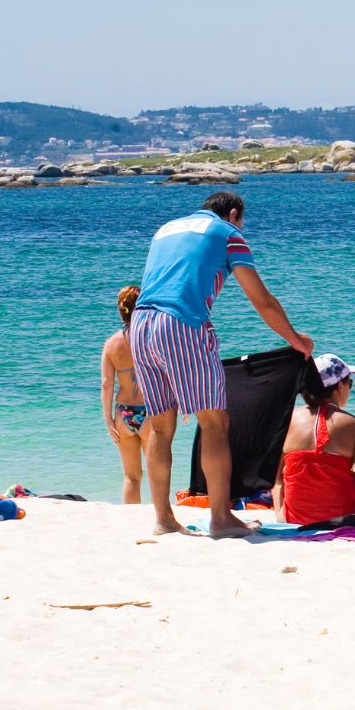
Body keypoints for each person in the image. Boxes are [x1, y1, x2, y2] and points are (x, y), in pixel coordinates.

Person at [131, 192, 312, 538]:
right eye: (242, 221)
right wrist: (295, 340)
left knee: (159, 428)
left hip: (140, 324)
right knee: (215, 422)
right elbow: (262, 300)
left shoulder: (166, 229)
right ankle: (220, 518)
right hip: (181, 323)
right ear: (232, 213)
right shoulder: (229, 234)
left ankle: (163, 519)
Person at [274, 354, 355, 525]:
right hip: (341, 517)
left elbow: (276, 479)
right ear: (340, 385)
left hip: (294, 518)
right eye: (350, 383)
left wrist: (280, 516)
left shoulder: (288, 419)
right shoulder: (353, 424)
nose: (349, 389)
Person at [101, 286, 150, 504]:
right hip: (150, 411)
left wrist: (108, 420)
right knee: (159, 471)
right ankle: (161, 517)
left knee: (132, 476)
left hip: (123, 414)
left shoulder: (111, 344)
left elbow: (106, 384)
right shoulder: (152, 338)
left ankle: (131, 520)